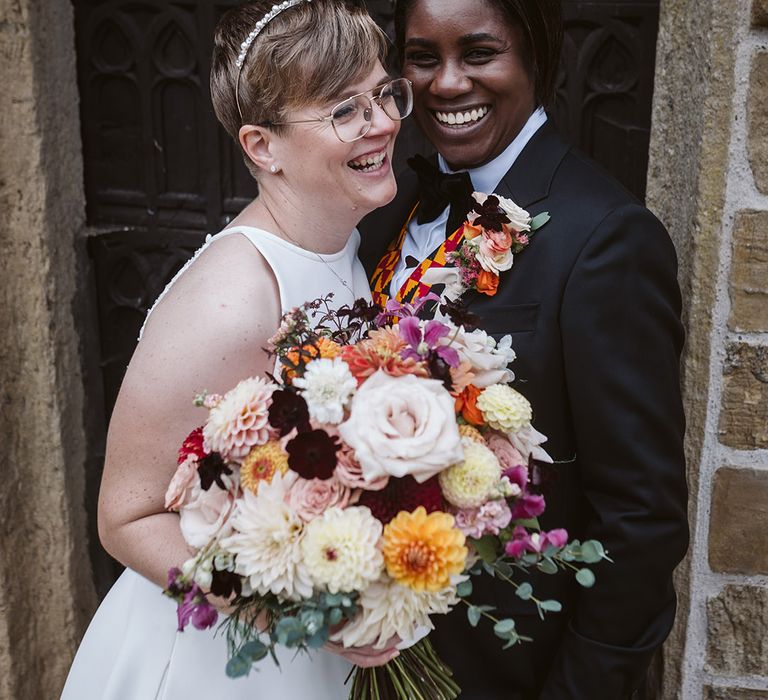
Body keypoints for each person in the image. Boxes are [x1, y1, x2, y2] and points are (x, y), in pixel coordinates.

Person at [61, 1, 412, 697]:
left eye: (382, 93)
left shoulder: (341, 246)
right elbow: (124, 518)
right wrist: (296, 610)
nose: (383, 122)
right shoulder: (231, 302)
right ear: (262, 147)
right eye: (345, 110)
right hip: (210, 662)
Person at [358, 0, 689, 697]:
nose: (448, 84)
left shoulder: (606, 237)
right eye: (423, 57)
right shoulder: (392, 202)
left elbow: (640, 521)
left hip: (515, 668)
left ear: (537, 56)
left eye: (479, 53)